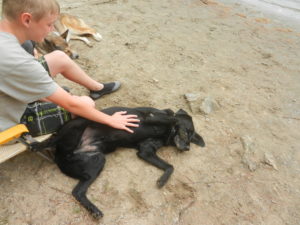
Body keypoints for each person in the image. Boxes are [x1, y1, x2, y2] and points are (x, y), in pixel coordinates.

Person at [0, 0, 139, 135]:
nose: (52, 29)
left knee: (59, 58)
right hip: (10, 123)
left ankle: (97, 88)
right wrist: (110, 119)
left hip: (7, 95)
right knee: (86, 103)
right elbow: (72, 105)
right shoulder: (20, 62)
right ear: (26, 20)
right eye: (49, 24)